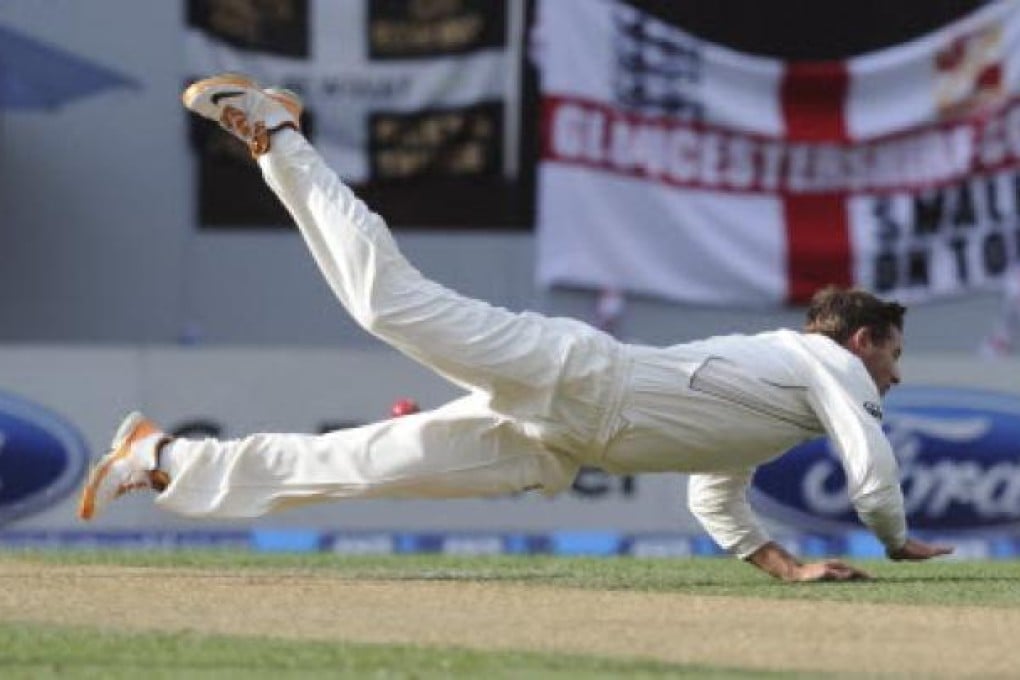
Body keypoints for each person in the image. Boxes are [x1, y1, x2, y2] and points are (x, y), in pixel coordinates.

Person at [77, 73, 953, 582]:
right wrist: (893, 539)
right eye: (892, 358)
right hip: (576, 375)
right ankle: (278, 135)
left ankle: (159, 459)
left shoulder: (776, 401)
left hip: (554, 446)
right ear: (861, 340)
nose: (895, 378)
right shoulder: (822, 366)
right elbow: (867, 459)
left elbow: (713, 493)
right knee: (388, 302)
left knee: (359, 464)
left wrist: (789, 569)